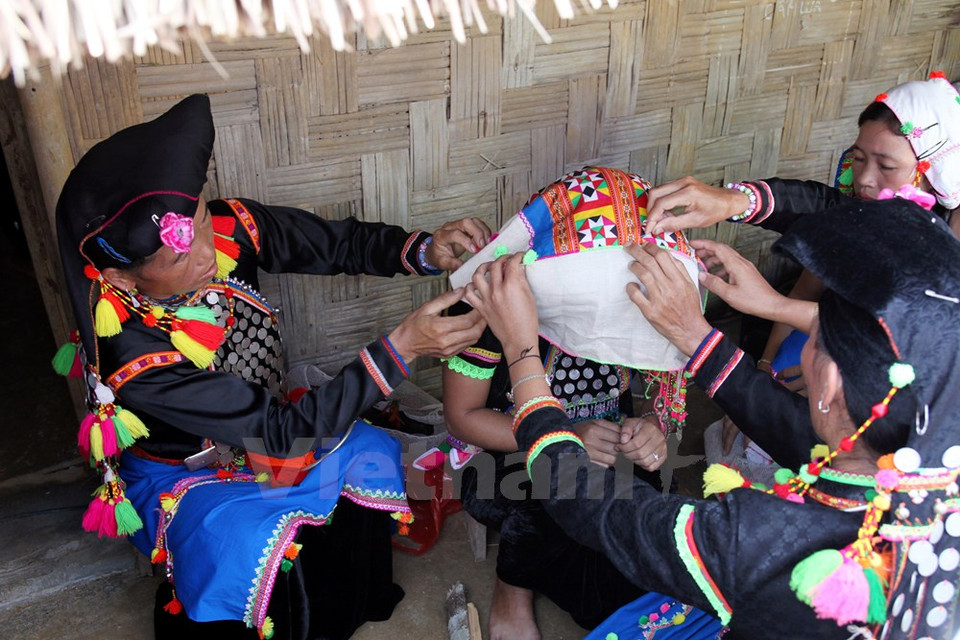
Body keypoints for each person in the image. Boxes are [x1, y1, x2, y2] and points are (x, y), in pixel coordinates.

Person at [53, 94, 491, 639]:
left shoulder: (229, 228)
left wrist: (425, 250)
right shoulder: (132, 352)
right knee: (241, 539)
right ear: (121, 278)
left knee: (370, 453)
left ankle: (344, 607)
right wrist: (401, 348)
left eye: (201, 221)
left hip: (269, 431)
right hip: (187, 474)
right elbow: (282, 436)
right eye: (179, 256)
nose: (207, 252)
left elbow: (336, 244)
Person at [464, 196, 960, 639]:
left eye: (813, 334)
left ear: (827, 383)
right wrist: (699, 335)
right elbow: (792, 427)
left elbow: (587, 503)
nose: (804, 341)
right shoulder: (930, 454)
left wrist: (521, 351)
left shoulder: (756, 541)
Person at [647, 72, 960, 466]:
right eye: (859, 158)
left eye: (886, 165)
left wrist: (729, 327)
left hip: (901, 412)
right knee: (742, 445)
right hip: (842, 360)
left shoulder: (943, 266)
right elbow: (827, 215)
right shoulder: (876, 218)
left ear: (934, 176)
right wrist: (733, 201)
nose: (865, 180)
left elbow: (899, 342)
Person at [441, 167, 686, 639]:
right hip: (505, 455)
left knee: (648, 511)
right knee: (549, 484)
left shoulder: (635, 294)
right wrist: (566, 437)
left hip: (608, 447)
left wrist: (653, 429)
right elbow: (462, 417)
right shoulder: (488, 300)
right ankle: (512, 587)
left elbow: (664, 395)